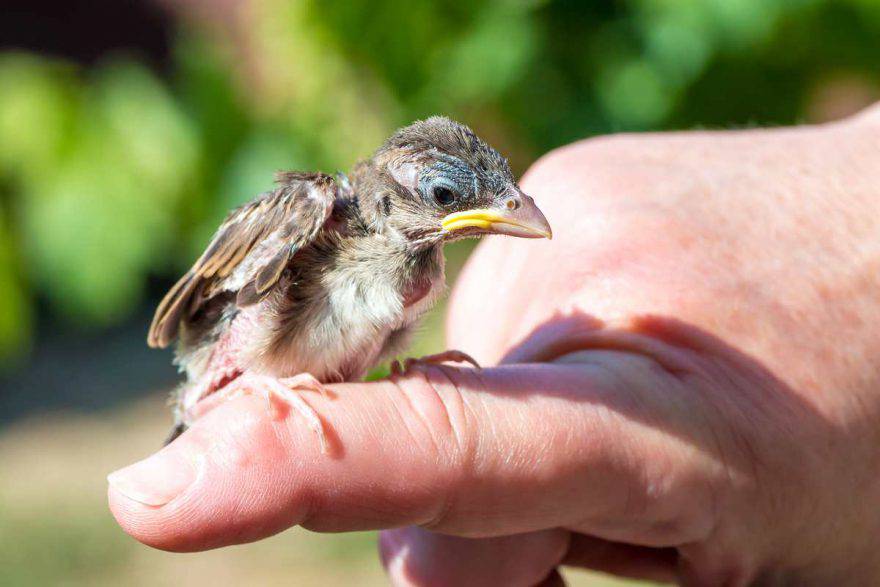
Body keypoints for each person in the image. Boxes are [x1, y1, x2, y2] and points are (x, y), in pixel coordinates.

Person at [108, 104, 880, 585]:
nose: (499, 215)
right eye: (447, 197)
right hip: (238, 376)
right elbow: (205, 316)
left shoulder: (417, 263)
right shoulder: (322, 212)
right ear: (393, 196)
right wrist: (254, 383)